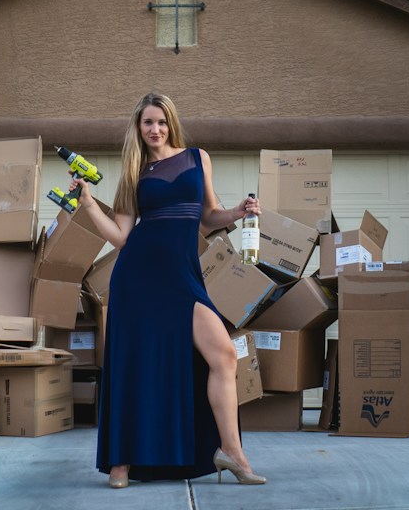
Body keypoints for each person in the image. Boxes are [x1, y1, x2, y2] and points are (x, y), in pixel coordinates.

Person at [70, 92, 266, 488]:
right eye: (147, 123)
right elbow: (122, 237)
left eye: (160, 121)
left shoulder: (198, 158)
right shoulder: (133, 172)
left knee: (225, 355)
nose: (155, 129)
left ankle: (232, 452)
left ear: (170, 122)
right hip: (139, 278)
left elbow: (209, 215)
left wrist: (238, 212)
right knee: (133, 367)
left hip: (183, 276)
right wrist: (89, 204)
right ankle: (121, 462)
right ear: (138, 128)